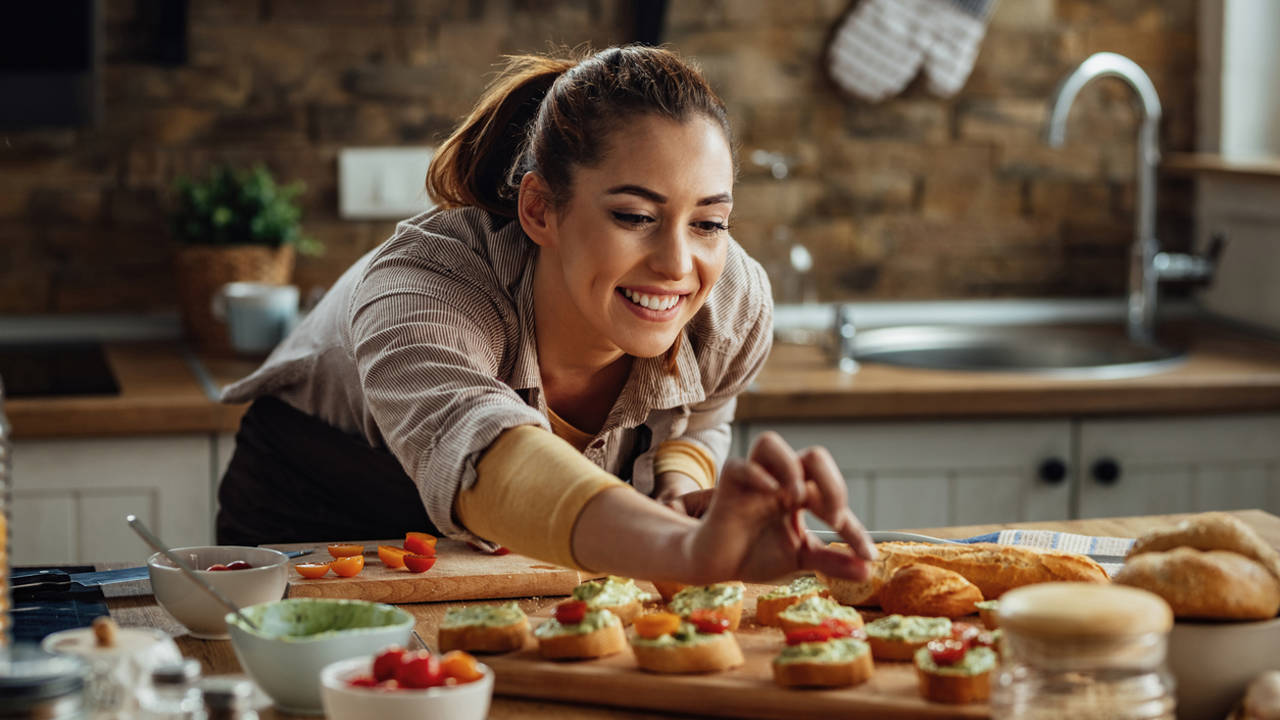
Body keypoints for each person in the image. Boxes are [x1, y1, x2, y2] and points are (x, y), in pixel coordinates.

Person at [216, 45, 875, 584]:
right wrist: (681, 553)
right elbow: (485, 454)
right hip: (315, 533)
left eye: (709, 221)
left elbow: (706, 408)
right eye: (635, 217)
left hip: (542, 549)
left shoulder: (732, 298)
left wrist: (678, 494)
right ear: (539, 209)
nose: (678, 263)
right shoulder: (426, 284)